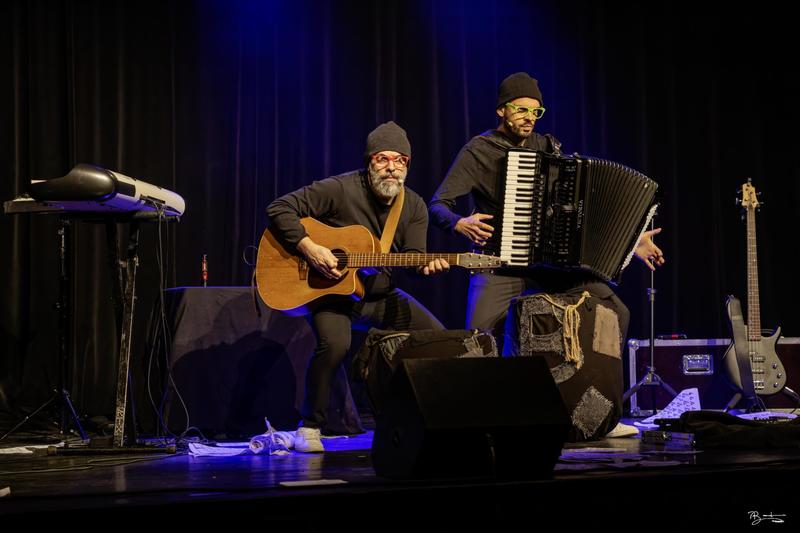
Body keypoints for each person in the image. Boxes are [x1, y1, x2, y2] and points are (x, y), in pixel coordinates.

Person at [429, 71, 665, 348]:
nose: (529, 117)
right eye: (521, 110)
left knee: (615, 310)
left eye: (535, 111)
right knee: (480, 343)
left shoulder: (546, 148)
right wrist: (459, 223)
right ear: (501, 110)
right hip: (498, 266)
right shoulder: (479, 150)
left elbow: (580, 212)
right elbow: (438, 205)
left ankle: (592, 384)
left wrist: (630, 243)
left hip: (545, 266)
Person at [266, 121, 448, 453]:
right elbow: (279, 208)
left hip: (379, 294)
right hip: (331, 293)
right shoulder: (340, 189)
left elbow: (413, 259)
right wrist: (311, 247)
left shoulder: (414, 206)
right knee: (335, 345)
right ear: (369, 162)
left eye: (400, 161)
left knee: (438, 338)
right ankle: (309, 427)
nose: (392, 168)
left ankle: (428, 419)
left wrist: (425, 266)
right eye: (383, 159)